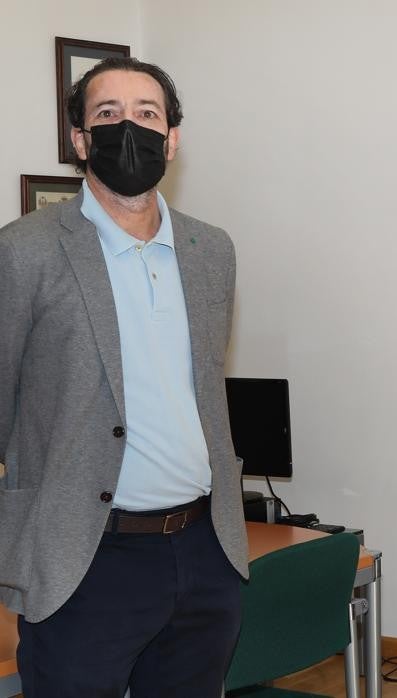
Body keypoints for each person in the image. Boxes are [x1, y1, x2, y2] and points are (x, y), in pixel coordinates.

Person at [0, 57, 245, 696]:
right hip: (83, 559)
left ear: (172, 138)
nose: (128, 128)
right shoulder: (23, 250)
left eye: (146, 113)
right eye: (107, 114)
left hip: (203, 553)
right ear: (80, 140)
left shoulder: (212, 250)